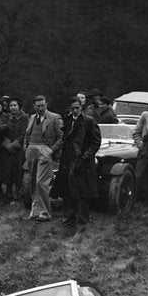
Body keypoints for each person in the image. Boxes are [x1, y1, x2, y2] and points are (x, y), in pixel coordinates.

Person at [52, 97, 101, 236]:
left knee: (82, 196)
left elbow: (95, 142)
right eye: (72, 108)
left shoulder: (89, 121)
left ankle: (81, 226)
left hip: (83, 164)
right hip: (67, 162)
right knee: (67, 193)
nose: (75, 111)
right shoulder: (67, 121)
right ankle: (68, 224)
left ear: (81, 108)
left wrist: (84, 157)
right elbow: (65, 140)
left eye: (77, 108)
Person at [24, 95, 64, 222]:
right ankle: (35, 212)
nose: (41, 108)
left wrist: (51, 151)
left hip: (45, 151)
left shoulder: (54, 117)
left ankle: (45, 213)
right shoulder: (31, 117)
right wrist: (26, 146)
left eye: (43, 105)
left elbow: (61, 137)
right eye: (38, 106)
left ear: (46, 104)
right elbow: (27, 134)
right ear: (34, 106)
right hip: (31, 150)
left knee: (41, 182)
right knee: (32, 182)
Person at [2, 97, 29, 202]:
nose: (12, 108)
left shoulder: (25, 117)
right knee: (8, 170)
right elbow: (4, 131)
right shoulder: (6, 117)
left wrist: (14, 145)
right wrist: (7, 144)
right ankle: (8, 192)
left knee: (17, 171)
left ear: (19, 106)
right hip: (7, 148)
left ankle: (17, 193)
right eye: (11, 106)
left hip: (19, 149)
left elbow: (24, 134)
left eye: (15, 105)